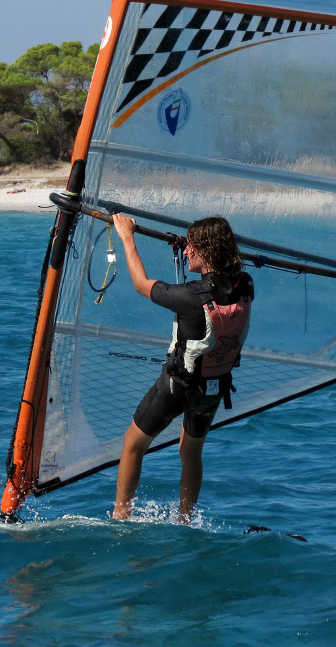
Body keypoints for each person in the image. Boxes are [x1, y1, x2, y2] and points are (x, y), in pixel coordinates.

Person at [111, 213, 254, 522]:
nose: (186, 252)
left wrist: (126, 236)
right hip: (214, 389)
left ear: (207, 251)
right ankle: (185, 519)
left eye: (191, 248)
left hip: (177, 388)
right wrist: (189, 245)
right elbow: (227, 276)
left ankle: (120, 516)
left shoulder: (190, 297)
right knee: (190, 453)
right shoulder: (246, 286)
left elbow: (140, 284)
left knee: (133, 445)